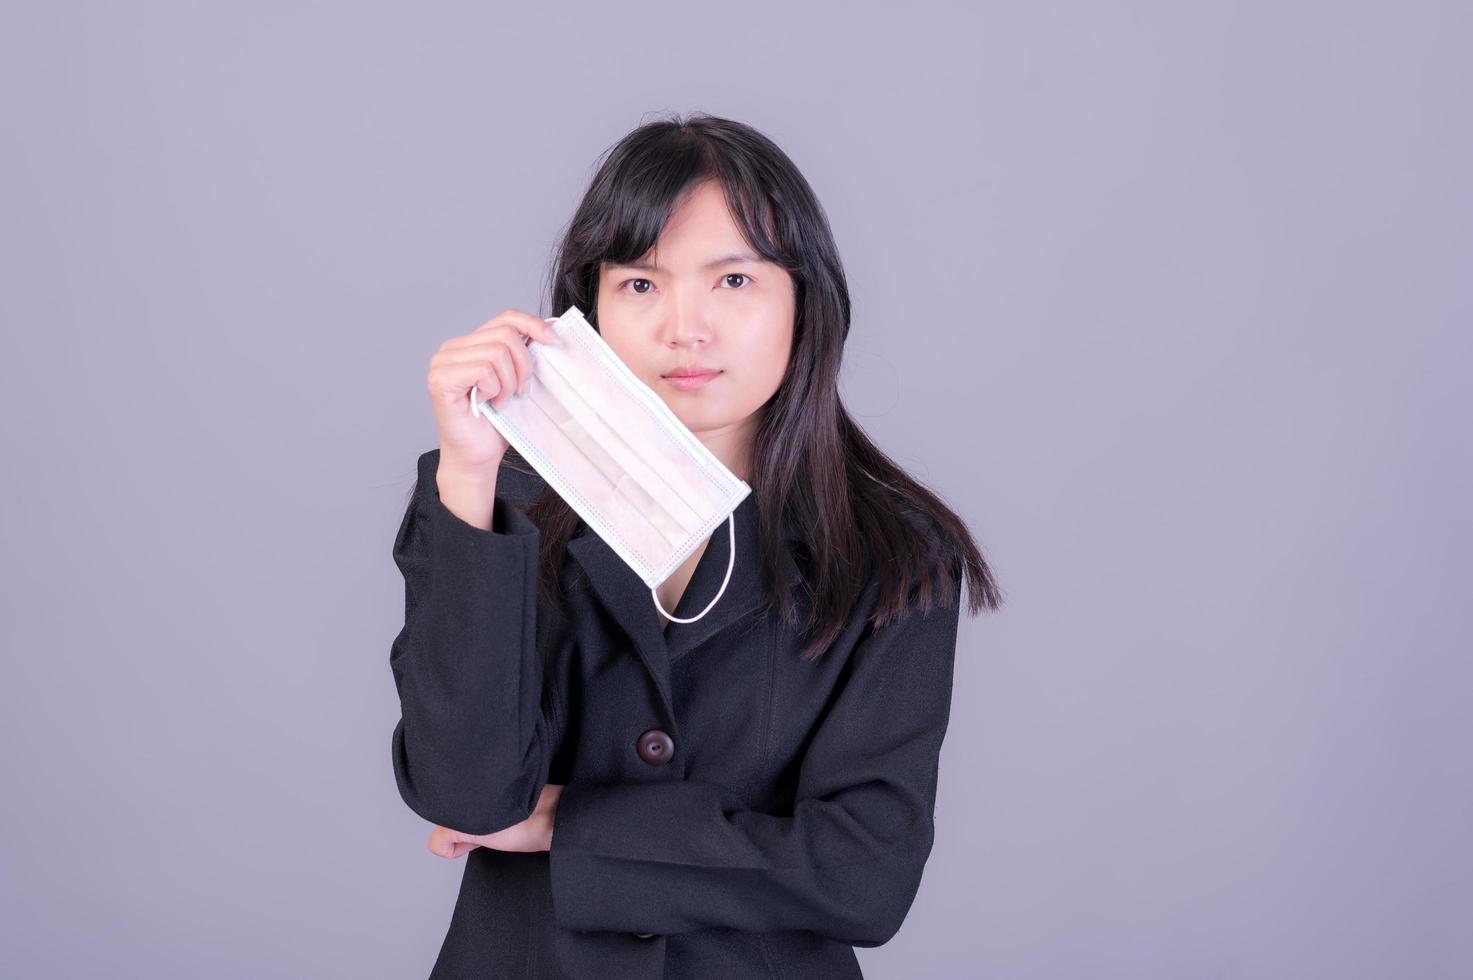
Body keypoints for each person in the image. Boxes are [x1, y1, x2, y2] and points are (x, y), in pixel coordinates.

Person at [388, 113, 1003, 980]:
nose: (686, 327)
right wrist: (466, 473)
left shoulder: (892, 552)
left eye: (734, 281)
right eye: (640, 285)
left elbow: (865, 874)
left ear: (804, 300)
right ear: (587, 308)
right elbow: (465, 797)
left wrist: (567, 824)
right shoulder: (499, 504)